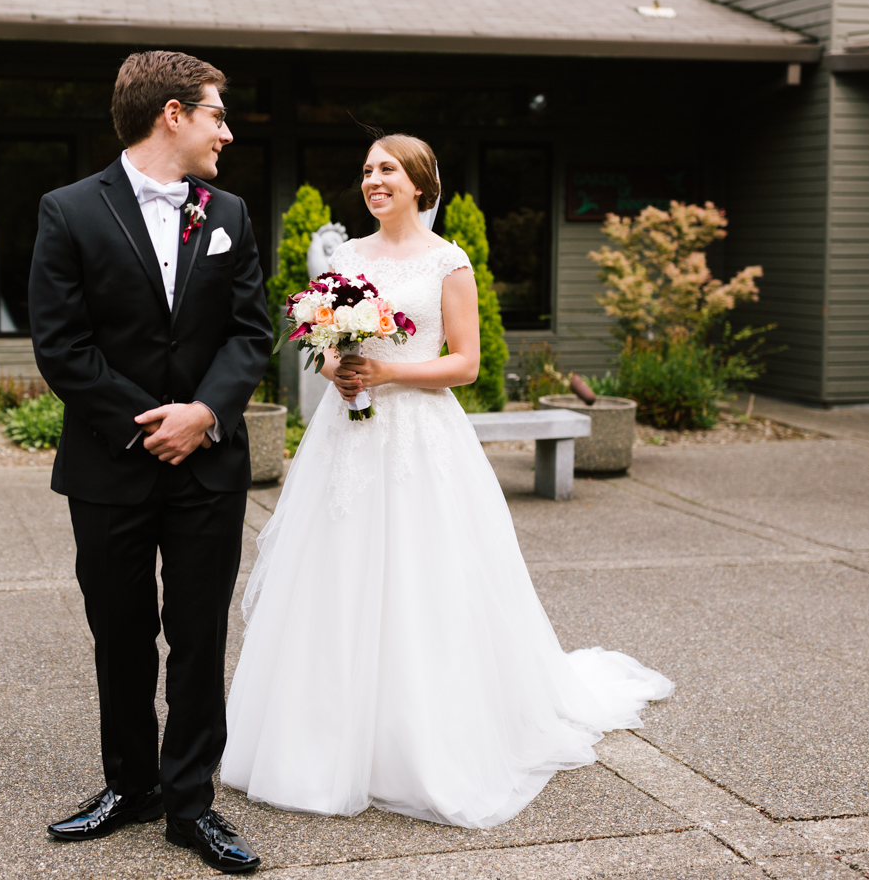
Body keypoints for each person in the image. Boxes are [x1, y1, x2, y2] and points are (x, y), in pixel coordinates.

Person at [219, 134, 673, 828]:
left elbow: (465, 364)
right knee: (334, 577)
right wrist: (341, 368)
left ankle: (422, 738)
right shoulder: (346, 257)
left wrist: (389, 371)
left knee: (421, 580)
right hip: (347, 441)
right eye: (368, 170)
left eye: (389, 170)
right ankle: (323, 739)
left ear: (420, 185)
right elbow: (340, 350)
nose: (374, 180)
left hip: (422, 437)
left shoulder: (448, 261)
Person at [29, 51, 272, 874]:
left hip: (209, 465)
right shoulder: (67, 211)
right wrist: (144, 428)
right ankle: (129, 786)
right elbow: (62, 349)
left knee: (198, 637)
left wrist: (204, 415)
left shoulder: (230, 211)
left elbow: (251, 333)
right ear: (172, 113)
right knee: (121, 636)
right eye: (216, 115)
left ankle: (191, 805)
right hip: (110, 466)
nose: (226, 133)